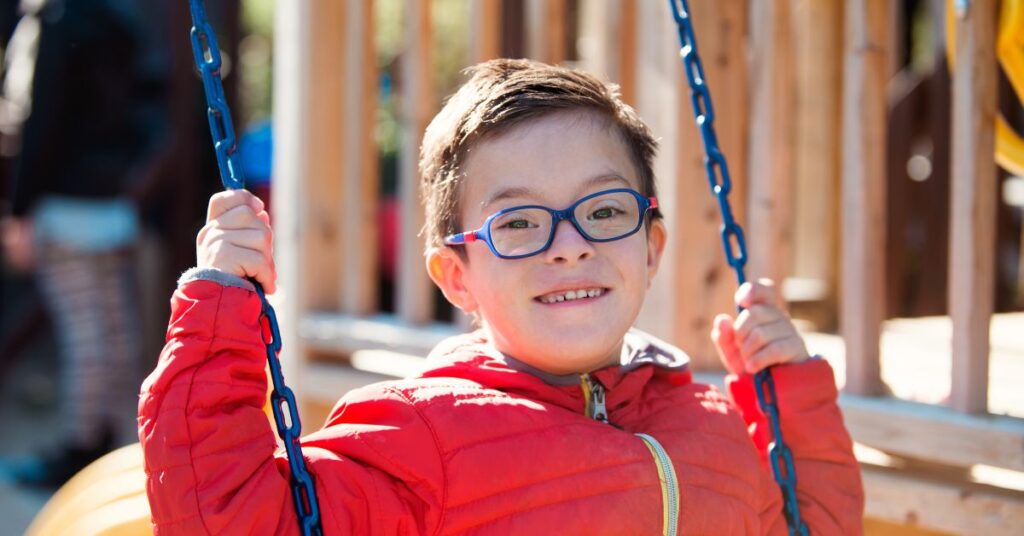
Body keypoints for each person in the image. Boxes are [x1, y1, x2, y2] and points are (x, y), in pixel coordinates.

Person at [138, 59, 863, 534]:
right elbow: (232, 518)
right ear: (457, 276)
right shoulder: (424, 437)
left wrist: (791, 397)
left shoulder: (714, 429)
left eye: (603, 210)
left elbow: (817, 526)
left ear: (652, 246)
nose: (569, 244)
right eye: (519, 223)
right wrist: (220, 308)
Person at [1, 0, 158, 487]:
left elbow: (41, 120)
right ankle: (132, 448)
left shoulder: (56, 23)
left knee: (86, 337)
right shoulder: (119, 23)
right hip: (109, 203)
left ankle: (83, 448)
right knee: (116, 333)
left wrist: (20, 210)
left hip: (66, 206)